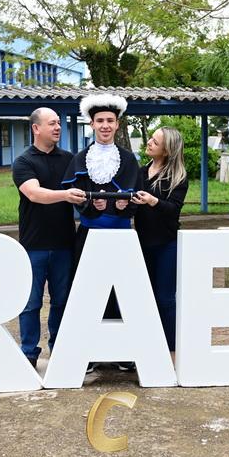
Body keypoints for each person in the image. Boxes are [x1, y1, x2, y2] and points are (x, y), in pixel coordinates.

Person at [62, 94, 143, 373]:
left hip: (122, 235)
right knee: (87, 291)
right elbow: (74, 194)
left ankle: (123, 351)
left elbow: (136, 196)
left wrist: (125, 206)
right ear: (92, 124)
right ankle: (88, 352)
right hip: (89, 234)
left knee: (123, 293)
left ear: (117, 124)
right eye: (100, 121)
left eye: (110, 120)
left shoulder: (129, 159)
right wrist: (89, 206)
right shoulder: (80, 158)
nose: (105, 125)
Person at [12, 108, 86, 369]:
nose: (57, 127)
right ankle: (29, 353)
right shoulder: (24, 162)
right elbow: (34, 193)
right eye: (52, 123)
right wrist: (65, 195)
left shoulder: (69, 159)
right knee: (31, 303)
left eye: (58, 123)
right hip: (34, 245)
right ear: (36, 128)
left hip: (64, 244)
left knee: (62, 301)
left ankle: (60, 348)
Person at [132, 127, 188, 354]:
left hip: (166, 245)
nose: (149, 143)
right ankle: (148, 347)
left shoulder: (178, 178)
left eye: (155, 142)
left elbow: (173, 210)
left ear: (166, 150)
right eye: (151, 139)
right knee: (144, 297)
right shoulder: (140, 172)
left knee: (165, 299)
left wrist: (152, 201)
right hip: (141, 243)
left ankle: (171, 348)